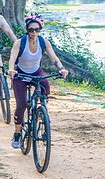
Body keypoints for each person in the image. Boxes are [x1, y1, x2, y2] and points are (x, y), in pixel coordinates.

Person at [8, 13, 68, 148]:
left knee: (46, 90)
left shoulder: (43, 42)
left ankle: (39, 114)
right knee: (21, 105)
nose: (34, 32)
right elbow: (12, 58)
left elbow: (54, 57)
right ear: (27, 30)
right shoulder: (20, 43)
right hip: (21, 75)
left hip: (36, 72)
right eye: (31, 30)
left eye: (36, 30)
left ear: (40, 30)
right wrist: (11, 70)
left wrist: (61, 68)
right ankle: (17, 134)